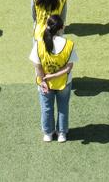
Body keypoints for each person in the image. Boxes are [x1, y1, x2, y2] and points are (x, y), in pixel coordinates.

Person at [31, 14, 75, 142]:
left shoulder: (39, 44)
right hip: (64, 82)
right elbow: (69, 67)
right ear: (62, 28)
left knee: (46, 108)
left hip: (44, 82)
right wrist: (54, 76)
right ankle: (62, 133)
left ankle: (48, 133)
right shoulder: (69, 44)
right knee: (63, 107)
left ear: (47, 26)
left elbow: (37, 65)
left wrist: (44, 80)